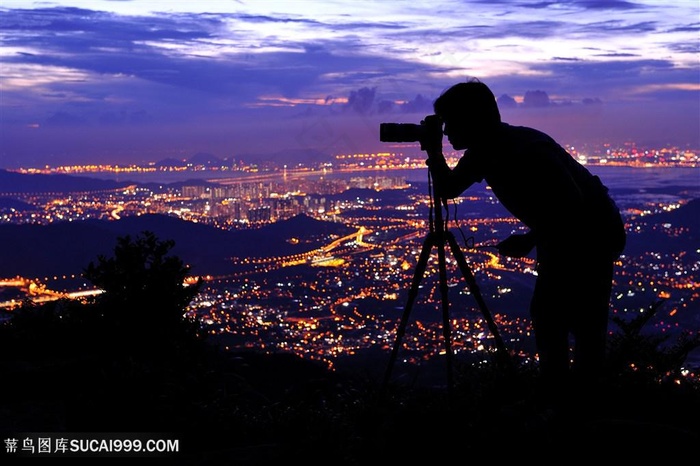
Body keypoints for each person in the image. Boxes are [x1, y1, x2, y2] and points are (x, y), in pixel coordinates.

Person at [423, 79, 626, 403]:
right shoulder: (485, 150)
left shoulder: (524, 148)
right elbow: (449, 188)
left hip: (593, 234)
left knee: (571, 322)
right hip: (563, 234)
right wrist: (433, 151)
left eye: (450, 123)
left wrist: (530, 239)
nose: (446, 133)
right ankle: (566, 403)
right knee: (551, 316)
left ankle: (576, 408)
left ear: (472, 119)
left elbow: (573, 205)